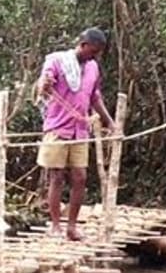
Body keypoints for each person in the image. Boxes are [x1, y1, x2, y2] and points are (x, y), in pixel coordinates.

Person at [36, 27, 116, 241]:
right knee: (56, 177)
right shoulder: (56, 61)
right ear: (83, 45)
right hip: (57, 127)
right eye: (93, 51)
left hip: (80, 131)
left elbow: (95, 97)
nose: (95, 56)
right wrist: (44, 84)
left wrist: (109, 121)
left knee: (80, 178)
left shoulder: (93, 68)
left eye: (98, 52)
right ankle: (55, 226)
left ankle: (71, 227)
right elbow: (43, 84)